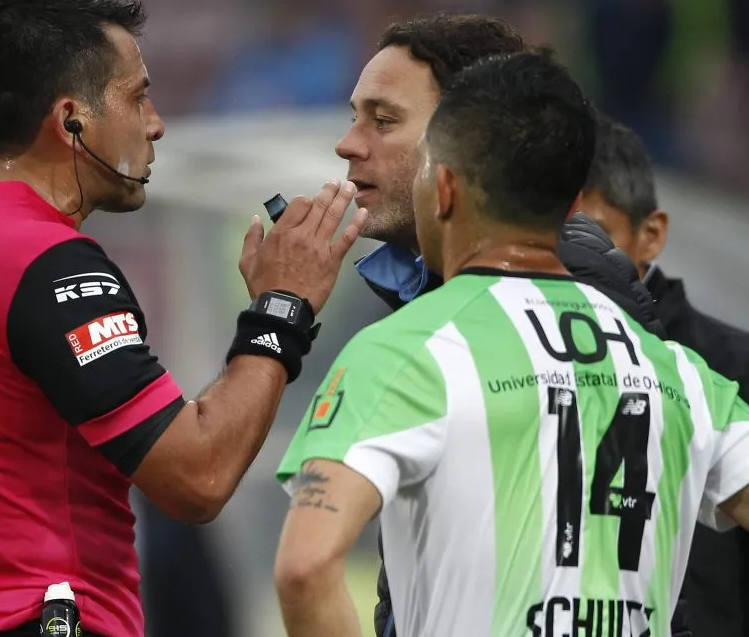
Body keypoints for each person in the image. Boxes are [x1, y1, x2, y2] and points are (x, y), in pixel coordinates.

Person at [0, 0, 367, 637]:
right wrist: (282, 308)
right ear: (72, 119)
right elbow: (198, 475)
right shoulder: (49, 264)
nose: (156, 123)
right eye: (137, 96)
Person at [272, 47, 749, 637]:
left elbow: (305, 568)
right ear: (572, 206)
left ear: (444, 188)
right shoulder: (676, 369)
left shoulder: (405, 352)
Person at [331, 12, 666, 637]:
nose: (348, 144)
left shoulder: (569, 298)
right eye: (355, 117)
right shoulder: (439, 293)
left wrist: (278, 318)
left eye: (384, 120)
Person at [579, 114, 749, 637]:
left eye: (592, 235)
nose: (570, 259)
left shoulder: (732, 370)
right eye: (554, 237)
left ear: (650, 235)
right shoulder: (513, 358)